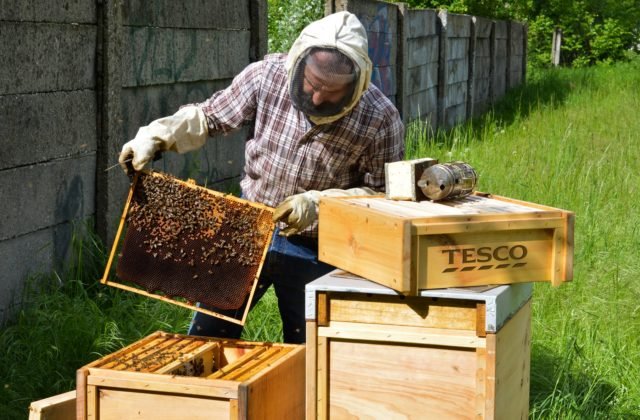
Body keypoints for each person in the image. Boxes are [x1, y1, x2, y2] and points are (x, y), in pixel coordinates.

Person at [118, 11, 405, 344]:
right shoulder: (266, 76)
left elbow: (384, 198)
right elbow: (211, 117)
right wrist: (158, 136)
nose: (316, 98)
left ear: (356, 85)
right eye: (311, 84)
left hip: (319, 247)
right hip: (248, 228)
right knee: (207, 338)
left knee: (311, 351)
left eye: (331, 93)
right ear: (298, 63)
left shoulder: (380, 118)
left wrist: (320, 203)